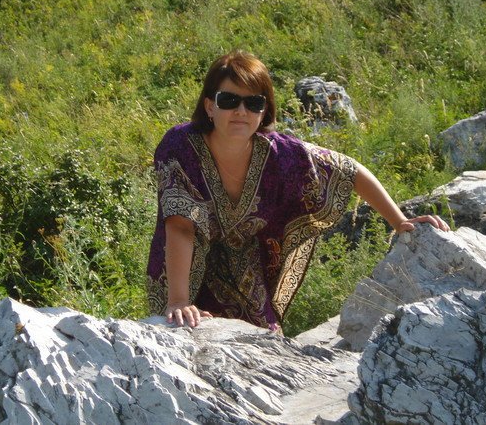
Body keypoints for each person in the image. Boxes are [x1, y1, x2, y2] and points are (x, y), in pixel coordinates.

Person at [146, 50, 449, 332]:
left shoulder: (281, 154)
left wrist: (400, 222)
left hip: (247, 274)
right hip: (182, 271)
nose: (241, 111)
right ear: (209, 106)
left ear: (264, 111)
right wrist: (179, 301)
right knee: (185, 333)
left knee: (264, 343)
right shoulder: (180, 146)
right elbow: (181, 225)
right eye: (229, 100)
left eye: (253, 103)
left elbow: (350, 171)